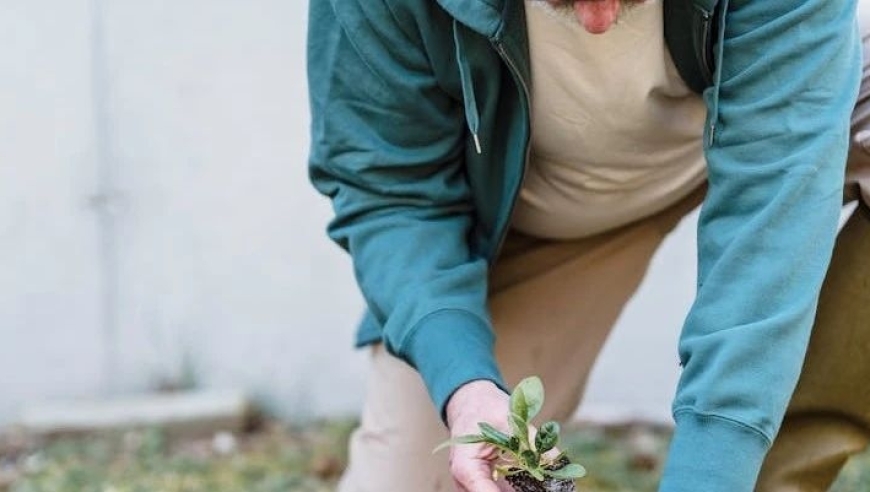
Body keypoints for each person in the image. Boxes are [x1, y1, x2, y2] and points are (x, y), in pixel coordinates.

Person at [306, 0, 870, 491]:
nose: (599, 20)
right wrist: (466, 384)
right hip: (545, 211)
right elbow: (391, 190)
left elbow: (770, 212)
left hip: (783, 127)